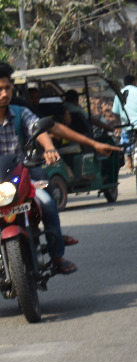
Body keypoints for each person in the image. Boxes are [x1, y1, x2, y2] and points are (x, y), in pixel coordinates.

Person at [0, 77, 78, 274]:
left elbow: (38, 128)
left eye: (7, 88)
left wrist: (49, 147)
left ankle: (57, 254)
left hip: (23, 175)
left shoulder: (20, 113)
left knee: (47, 204)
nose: (4, 93)